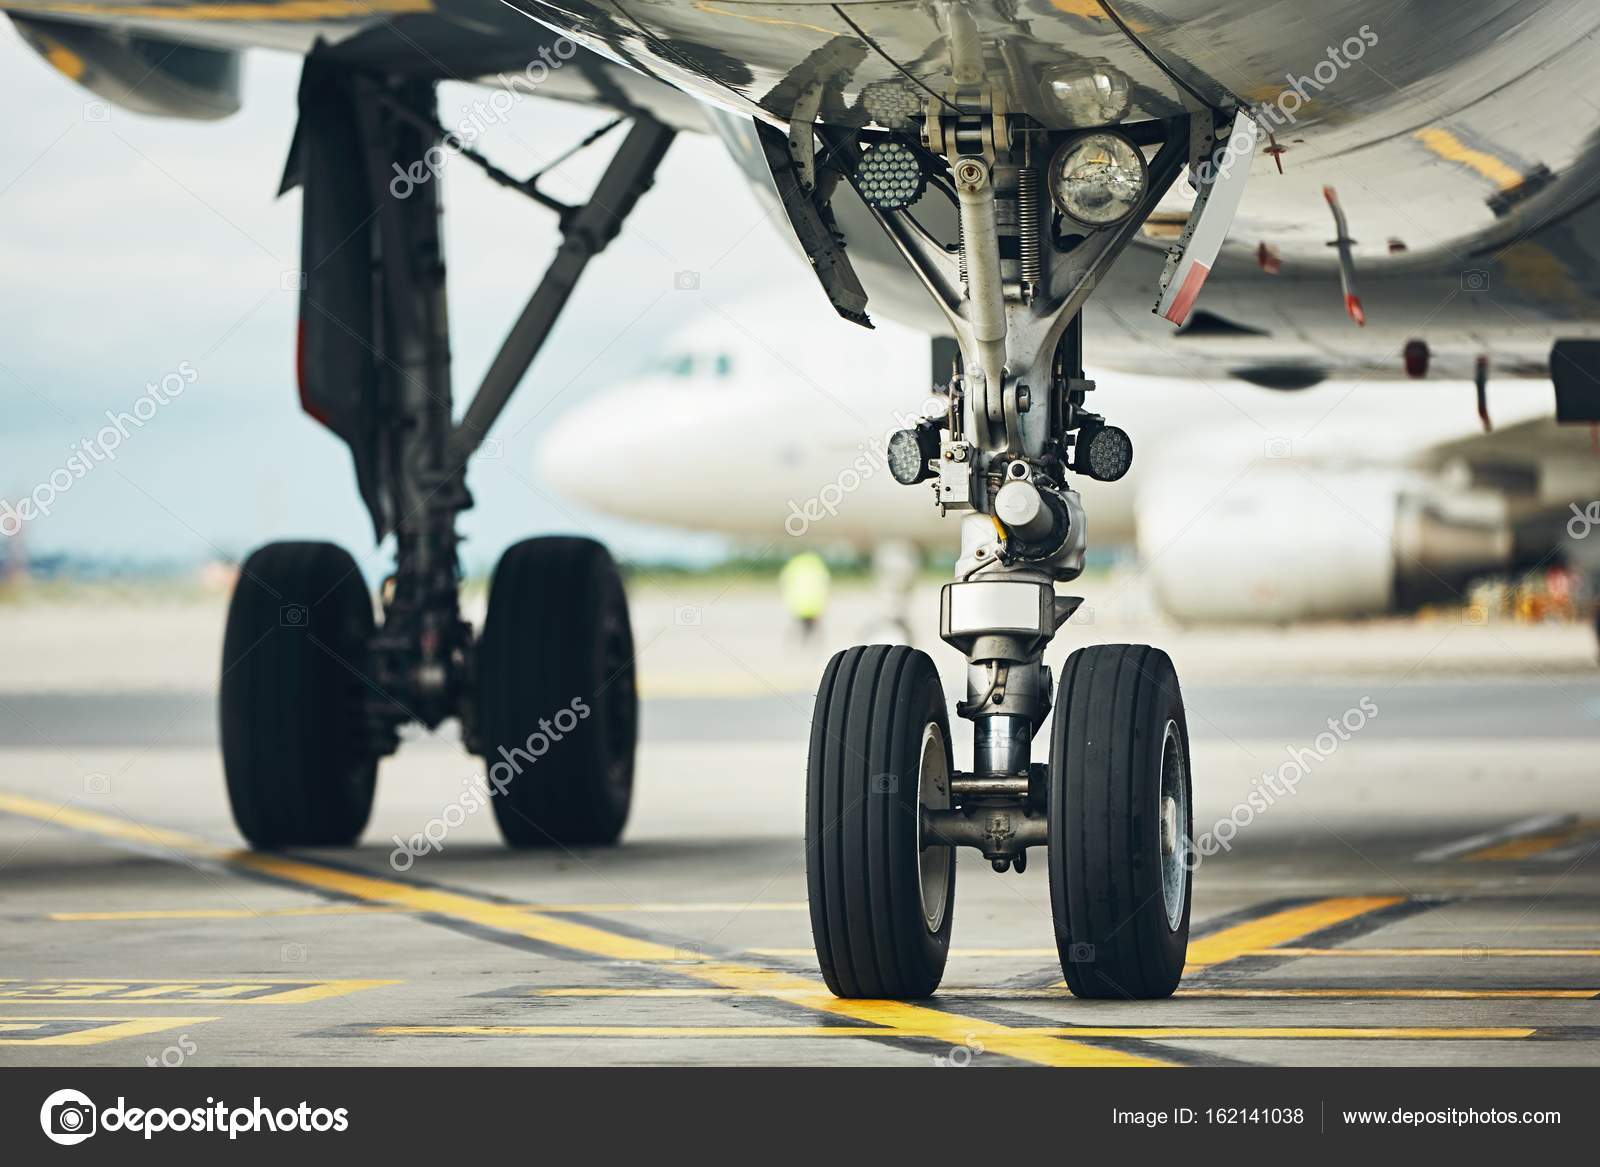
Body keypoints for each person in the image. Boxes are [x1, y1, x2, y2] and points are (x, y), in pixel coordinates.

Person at [779, 551, 831, 641]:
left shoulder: (794, 563)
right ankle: (814, 642)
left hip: (798, 602)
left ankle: (796, 641)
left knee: (799, 625)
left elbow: (783, 580)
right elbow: (825, 581)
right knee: (814, 625)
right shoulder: (817, 564)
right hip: (815, 603)